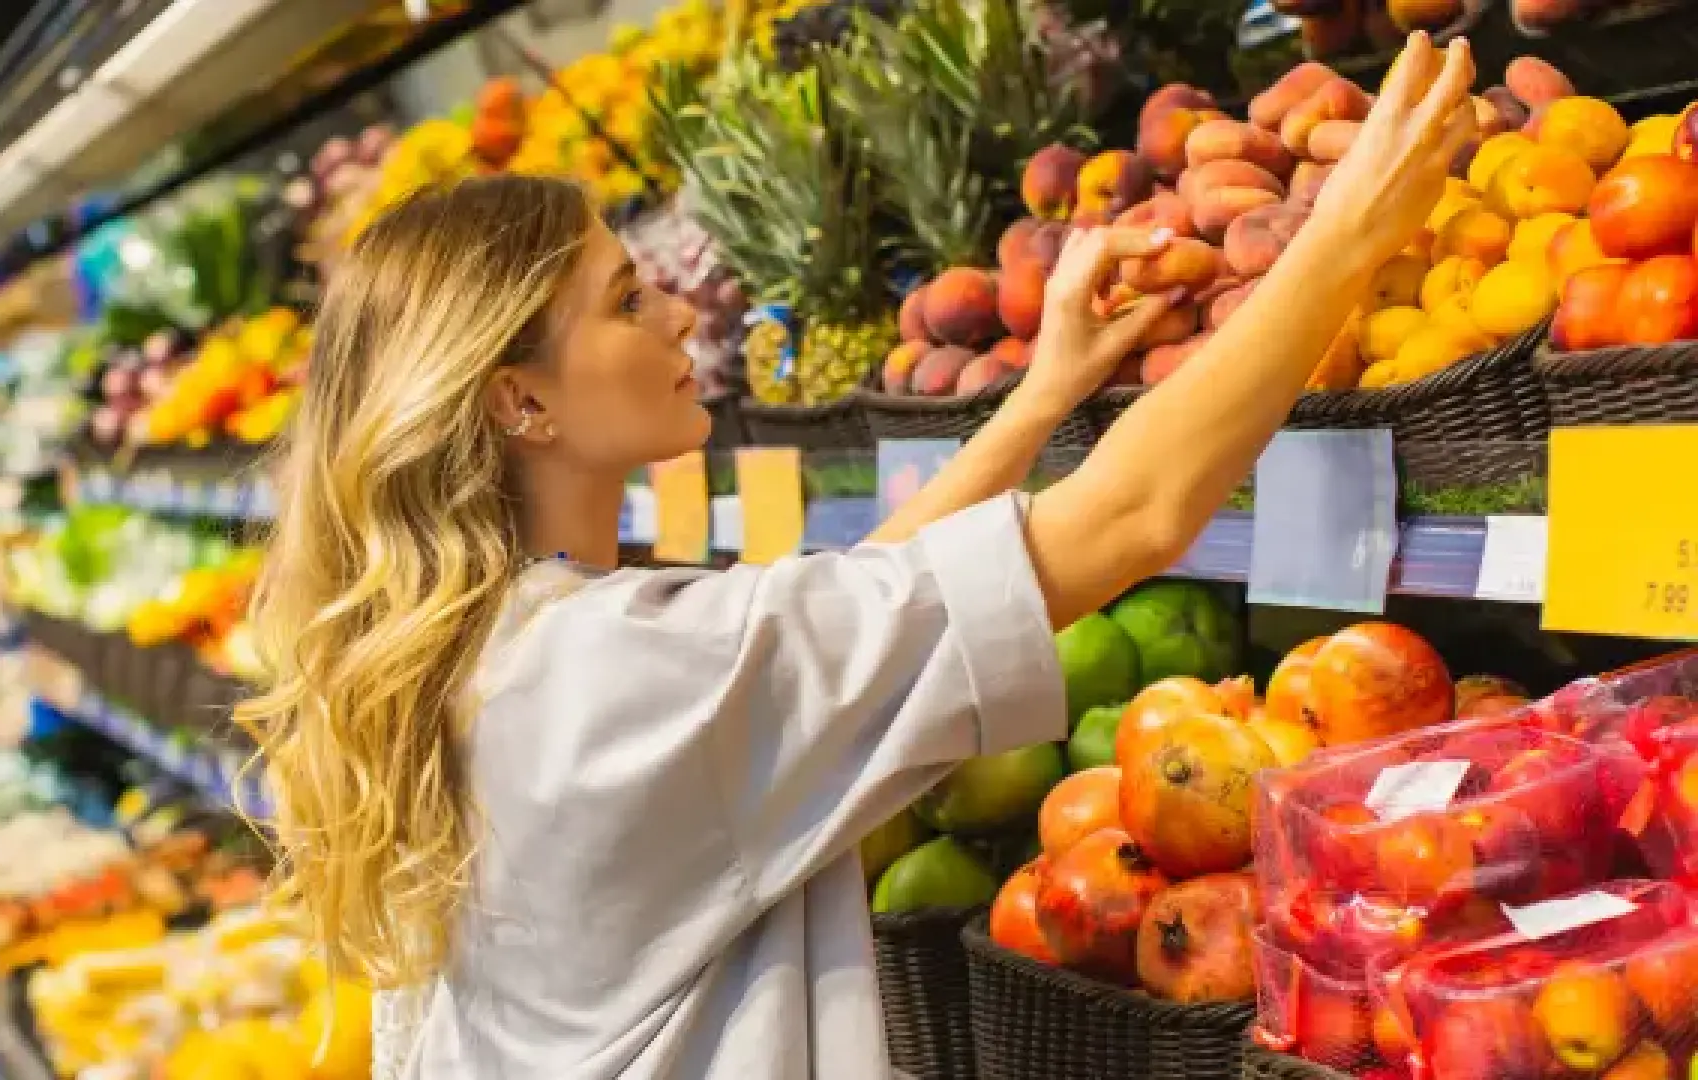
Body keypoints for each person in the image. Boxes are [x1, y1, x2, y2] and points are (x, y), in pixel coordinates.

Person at [238, 33, 1476, 1080]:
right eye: (625, 301)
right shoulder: (613, 675)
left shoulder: (505, 657)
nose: (679, 312)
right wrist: (1347, 236)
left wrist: (1040, 397)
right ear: (521, 403)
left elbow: (846, 614)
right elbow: (1131, 517)